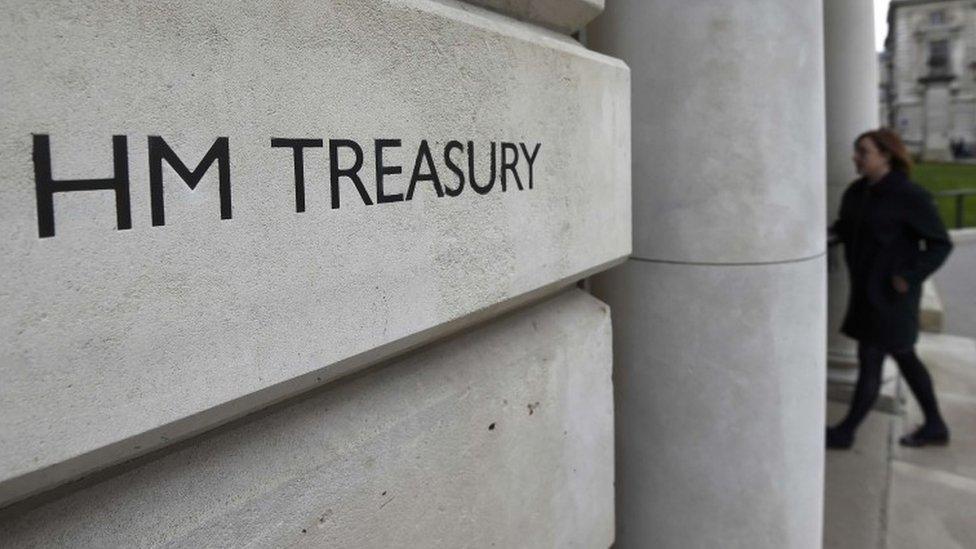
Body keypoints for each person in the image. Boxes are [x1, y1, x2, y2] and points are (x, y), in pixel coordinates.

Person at [827, 128, 953, 450]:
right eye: (857, 151)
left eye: (863, 152)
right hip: (865, 292)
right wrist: (823, 238)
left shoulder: (910, 196)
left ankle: (846, 431)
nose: (856, 158)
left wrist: (908, 278)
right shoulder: (857, 192)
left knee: (873, 357)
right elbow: (845, 227)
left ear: (885, 155)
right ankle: (935, 425)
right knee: (901, 357)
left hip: (893, 296)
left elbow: (940, 244)